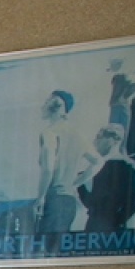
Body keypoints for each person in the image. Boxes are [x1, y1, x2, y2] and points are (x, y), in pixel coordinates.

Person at [76, 125, 135, 231]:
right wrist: (80, 186)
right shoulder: (97, 165)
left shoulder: (127, 165)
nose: (95, 141)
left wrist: (119, 220)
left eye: (99, 137)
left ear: (113, 140)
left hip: (114, 228)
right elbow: (91, 203)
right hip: (93, 224)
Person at [35, 89, 79, 234]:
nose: (43, 106)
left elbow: (48, 169)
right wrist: (75, 183)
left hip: (54, 200)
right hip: (70, 201)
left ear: (56, 106)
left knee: (45, 245)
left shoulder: (50, 132)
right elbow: (97, 161)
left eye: (46, 102)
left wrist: (40, 198)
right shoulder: (75, 135)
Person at [106, 58, 135, 127]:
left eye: (113, 65)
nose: (112, 67)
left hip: (121, 105)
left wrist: (124, 97)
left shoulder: (126, 75)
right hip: (115, 105)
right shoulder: (116, 76)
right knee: (112, 127)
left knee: (121, 127)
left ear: (118, 65)